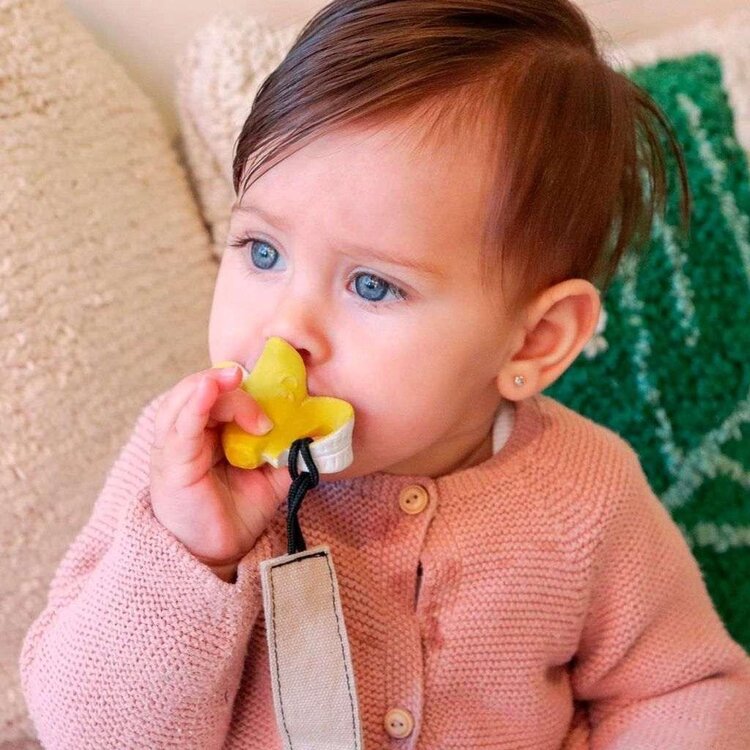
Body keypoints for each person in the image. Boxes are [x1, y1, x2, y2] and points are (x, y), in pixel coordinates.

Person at [19, 0, 750, 747]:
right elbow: (88, 732)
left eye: (372, 285)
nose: (285, 329)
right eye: (263, 251)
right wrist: (192, 553)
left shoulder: (586, 494)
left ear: (534, 342)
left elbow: (684, 688)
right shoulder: (184, 470)